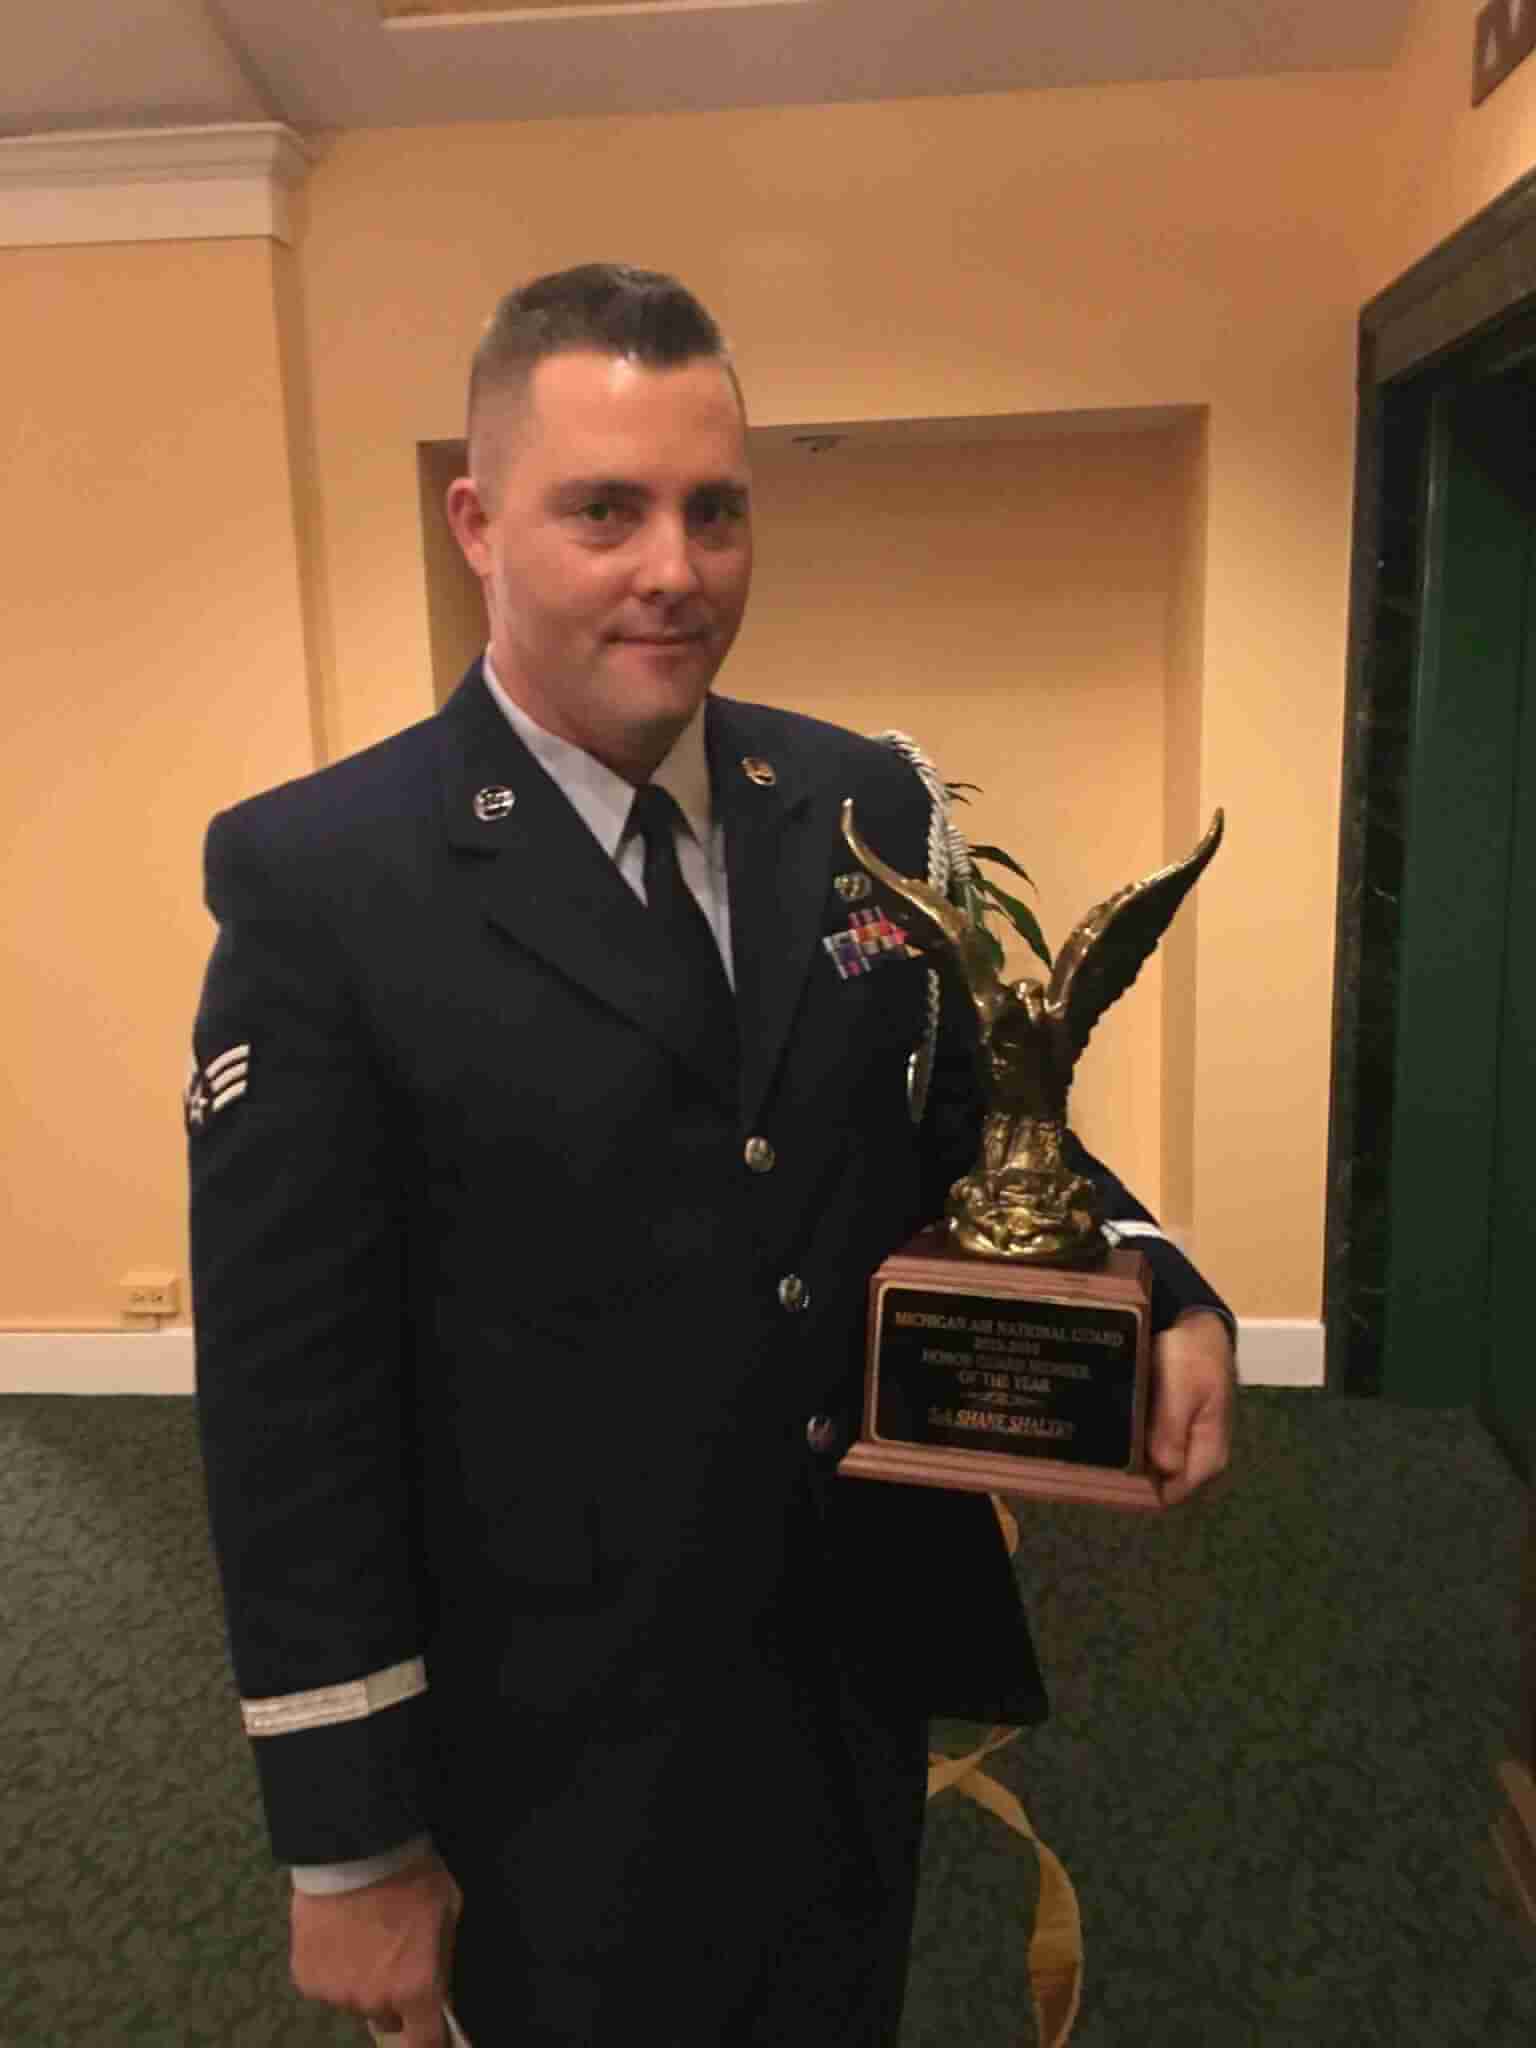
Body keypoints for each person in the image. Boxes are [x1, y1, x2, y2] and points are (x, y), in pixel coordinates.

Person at [188, 263, 1235, 2048]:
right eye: (605, 509)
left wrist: (1151, 1278)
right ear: (477, 522)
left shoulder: (857, 805)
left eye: (716, 508)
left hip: (842, 1666)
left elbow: (977, 1106)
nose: (675, 567)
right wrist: (350, 1847)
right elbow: (291, 1402)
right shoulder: (324, 882)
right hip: (550, 1741)